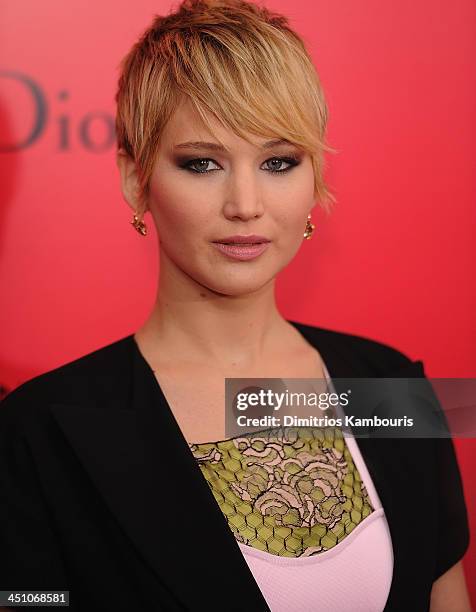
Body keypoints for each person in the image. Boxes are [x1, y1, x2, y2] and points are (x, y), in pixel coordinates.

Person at [0, 0, 471, 610]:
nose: (245, 203)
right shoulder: (41, 430)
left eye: (279, 162)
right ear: (135, 178)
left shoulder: (391, 386)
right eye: (202, 163)